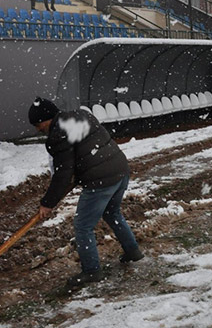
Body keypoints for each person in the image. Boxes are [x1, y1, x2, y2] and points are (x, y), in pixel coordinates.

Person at [29, 97, 143, 287]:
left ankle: (91, 271)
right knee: (112, 212)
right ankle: (132, 252)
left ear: (48, 118)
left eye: (38, 124)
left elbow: (63, 173)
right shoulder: (81, 115)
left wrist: (48, 203)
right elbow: (83, 151)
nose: (37, 129)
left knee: (83, 226)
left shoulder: (58, 134)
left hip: (101, 180)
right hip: (120, 169)